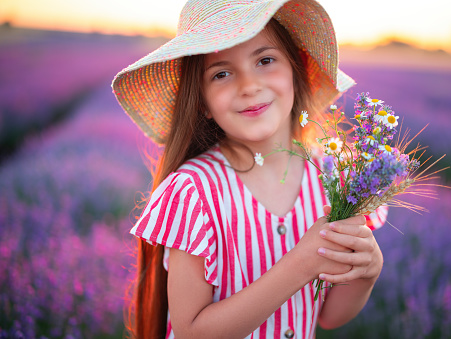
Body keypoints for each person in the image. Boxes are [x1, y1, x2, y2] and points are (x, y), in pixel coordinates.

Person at [112, 1, 387, 338]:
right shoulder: (194, 192)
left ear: (296, 69)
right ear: (202, 101)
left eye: (265, 60)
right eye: (222, 73)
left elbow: (329, 316)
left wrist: (366, 274)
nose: (248, 85)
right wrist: (300, 265)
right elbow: (191, 332)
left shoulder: (335, 178)